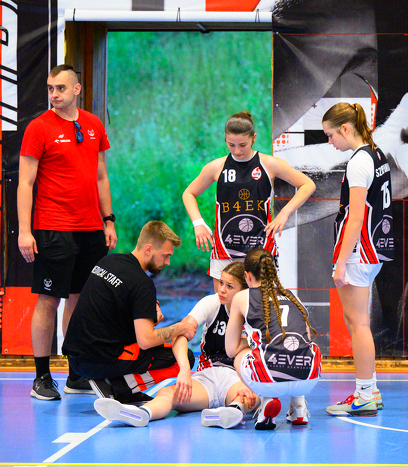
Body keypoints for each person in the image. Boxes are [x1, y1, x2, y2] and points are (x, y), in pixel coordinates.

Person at [18, 64, 118, 401]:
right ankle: (42, 378)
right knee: (49, 300)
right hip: (52, 228)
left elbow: (101, 175)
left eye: (60, 88)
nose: (54, 94)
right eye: (50, 88)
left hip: (90, 229)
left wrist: (108, 220)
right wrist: (25, 231)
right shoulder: (38, 128)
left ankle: (76, 374)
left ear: (76, 89)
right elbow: (25, 182)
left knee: (80, 299)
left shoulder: (93, 124)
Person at [93, 261, 259, 428]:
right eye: (221, 282)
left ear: (244, 291)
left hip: (238, 378)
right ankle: (142, 413)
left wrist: (249, 382)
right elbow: (181, 334)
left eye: (229, 286)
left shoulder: (257, 312)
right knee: (167, 392)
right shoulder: (213, 302)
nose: (221, 289)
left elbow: (264, 354)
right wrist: (185, 370)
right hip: (208, 376)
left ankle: (232, 411)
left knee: (252, 395)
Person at [62, 221, 196, 405]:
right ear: (148, 249)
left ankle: (119, 387)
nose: (168, 262)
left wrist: (149, 313)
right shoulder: (142, 283)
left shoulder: (108, 261)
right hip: (98, 361)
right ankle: (120, 386)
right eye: (165, 256)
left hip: (75, 360)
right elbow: (146, 340)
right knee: (184, 357)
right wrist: (181, 327)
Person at [182, 111, 316, 293]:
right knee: (226, 307)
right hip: (224, 250)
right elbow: (189, 193)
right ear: (225, 139)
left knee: (261, 307)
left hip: (260, 249)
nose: (237, 150)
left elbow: (307, 184)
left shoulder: (269, 164)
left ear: (254, 138)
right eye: (231, 145)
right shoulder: (216, 167)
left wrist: (284, 213)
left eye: (242, 145)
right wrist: (198, 223)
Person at [321, 102, 394, 417]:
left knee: (358, 325)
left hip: (358, 252)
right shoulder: (377, 154)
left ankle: (364, 395)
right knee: (358, 323)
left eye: (330, 135)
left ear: (345, 128)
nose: (330, 142)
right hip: (373, 250)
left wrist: (340, 262)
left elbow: (355, 217)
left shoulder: (358, 162)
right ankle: (371, 390)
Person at [226, 248, 322, 430]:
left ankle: (266, 401)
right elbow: (307, 339)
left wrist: (253, 341)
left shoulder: (242, 297)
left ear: (247, 276)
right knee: (301, 348)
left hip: (268, 379)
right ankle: (298, 406)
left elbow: (230, 349)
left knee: (243, 354)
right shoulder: (292, 296)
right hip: (308, 379)